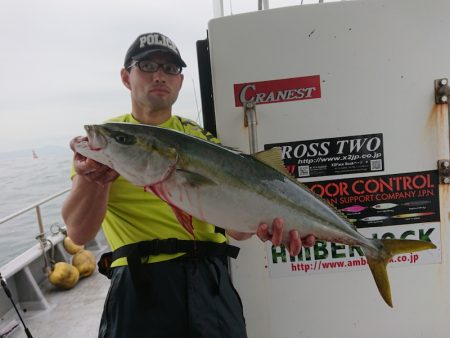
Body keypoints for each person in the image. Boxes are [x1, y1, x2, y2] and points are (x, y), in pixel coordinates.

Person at [62, 32, 316, 338]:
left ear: (180, 82)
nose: (160, 75)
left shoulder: (200, 140)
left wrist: (261, 223)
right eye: (147, 65)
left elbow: (235, 228)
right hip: (140, 284)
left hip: (209, 281)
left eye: (170, 69)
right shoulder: (111, 140)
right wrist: (93, 181)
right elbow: (79, 232)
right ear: (126, 77)